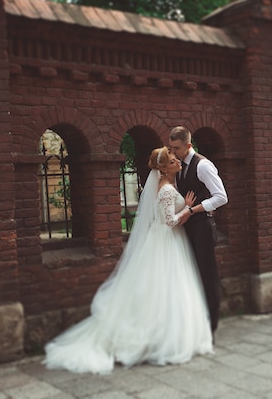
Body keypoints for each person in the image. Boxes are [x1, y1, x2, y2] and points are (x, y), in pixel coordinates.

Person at [42, 146, 213, 374]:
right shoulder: (166, 190)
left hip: (169, 241)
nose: (177, 163)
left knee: (171, 288)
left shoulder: (171, 185)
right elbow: (170, 222)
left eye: (175, 159)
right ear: (163, 168)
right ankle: (157, 338)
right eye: (173, 161)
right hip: (166, 241)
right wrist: (189, 208)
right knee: (164, 288)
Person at [169, 126, 228, 336]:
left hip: (202, 226)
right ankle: (198, 322)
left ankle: (211, 327)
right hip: (188, 227)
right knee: (192, 274)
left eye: (176, 148)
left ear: (188, 145)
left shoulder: (203, 165)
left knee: (207, 275)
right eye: (171, 147)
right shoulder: (180, 166)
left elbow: (221, 197)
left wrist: (192, 210)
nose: (173, 152)